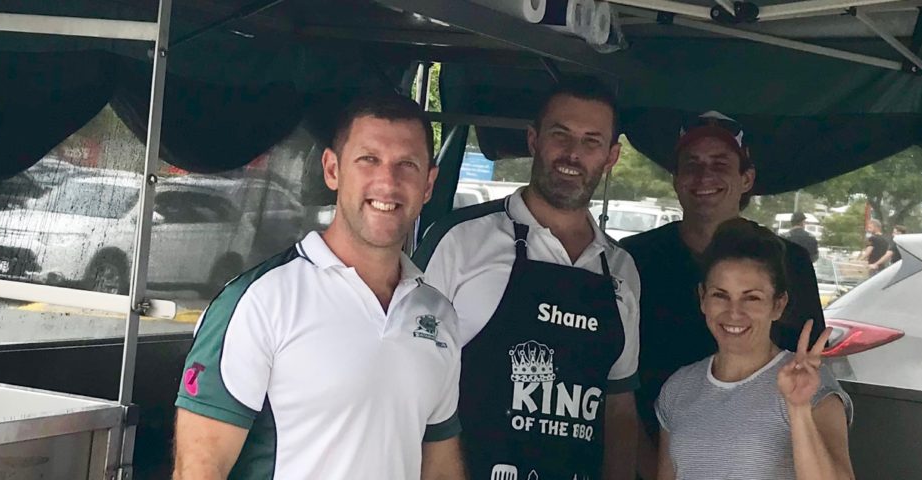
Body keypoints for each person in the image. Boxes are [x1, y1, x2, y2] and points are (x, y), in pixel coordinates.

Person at [173, 94, 465, 480]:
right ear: (332, 170)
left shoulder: (439, 318)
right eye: (369, 159)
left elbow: (440, 470)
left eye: (406, 165)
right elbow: (198, 470)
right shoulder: (260, 301)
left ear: (428, 184)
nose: (387, 182)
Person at [415, 77, 642, 480]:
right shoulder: (460, 240)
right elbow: (406, 380)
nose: (573, 153)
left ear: (611, 157)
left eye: (591, 141)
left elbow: (619, 408)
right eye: (560, 134)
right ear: (534, 140)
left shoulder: (620, 269)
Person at [617, 111, 828, 477]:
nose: (705, 176)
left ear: (747, 178)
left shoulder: (788, 261)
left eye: (720, 164)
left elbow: (806, 365)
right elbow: (614, 379)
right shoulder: (632, 258)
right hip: (652, 450)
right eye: (692, 164)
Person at [654, 219, 854, 480]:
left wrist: (798, 409)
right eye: (720, 295)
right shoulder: (679, 388)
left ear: (778, 305)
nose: (734, 312)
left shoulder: (809, 383)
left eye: (752, 298)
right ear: (703, 298)